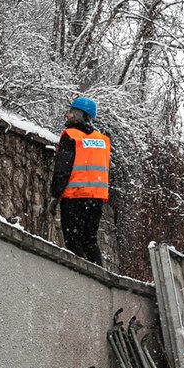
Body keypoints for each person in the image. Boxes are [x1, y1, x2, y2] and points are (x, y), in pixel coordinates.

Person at [48, 94, 111, 266]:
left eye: (71, 111)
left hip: (75, 198)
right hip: (96, 199)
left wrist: (55, 195)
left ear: (81, 115)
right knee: (89, 241)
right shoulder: (103, 140)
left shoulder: (71, 136)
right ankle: (101, 280)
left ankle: (79, 280)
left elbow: (63, 169)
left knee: (73, 242)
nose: (68, 115)